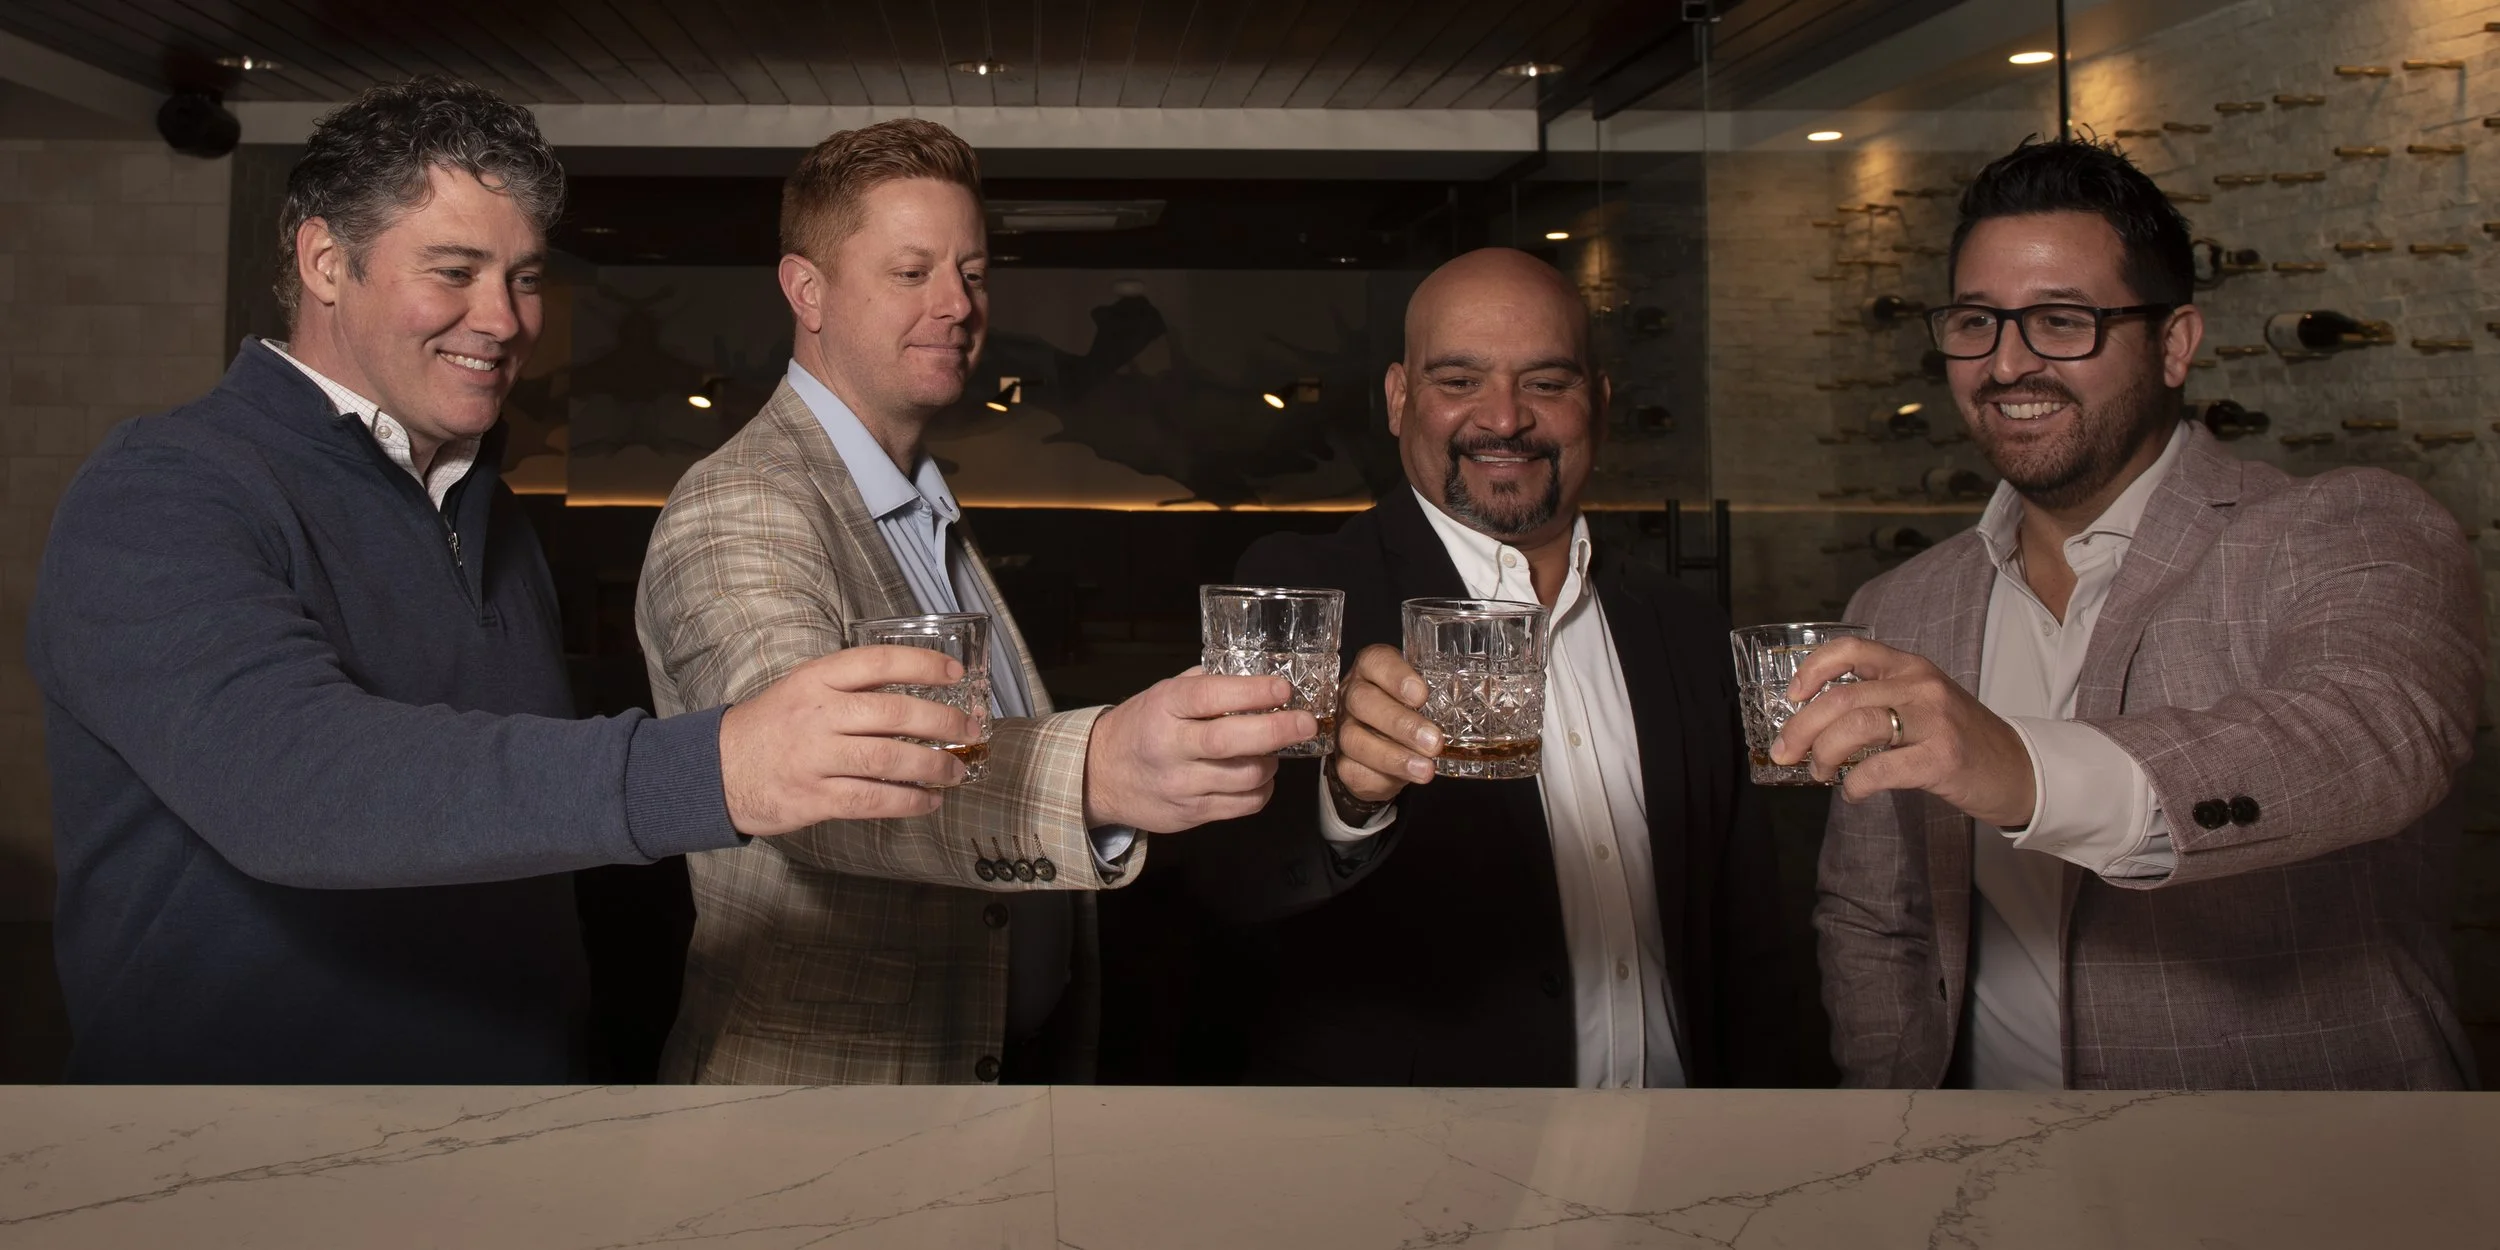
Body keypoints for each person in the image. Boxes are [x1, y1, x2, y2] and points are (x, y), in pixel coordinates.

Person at [25, 79, 983, 1083]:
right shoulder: (165, 489)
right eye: (454, 270)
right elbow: (291, 781)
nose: (504, 318)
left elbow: (521, 830)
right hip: (235, 1153)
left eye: (525, 277)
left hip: (514, 1132)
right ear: (323, 261)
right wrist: (718, 765)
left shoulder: (485, 502)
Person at [1795, 138, 2483, 1090]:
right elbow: (1875, 918)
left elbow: (2373, 738)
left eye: (2062, 321)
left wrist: (2021, 769)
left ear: (2174, 344)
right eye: (1976, 322)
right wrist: (1893, 1119)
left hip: (2304, 1175)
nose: (2007, 364)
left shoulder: (2345, 526)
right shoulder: (1899, 603)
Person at [634, 119, 1311, 1086]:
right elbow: (808, 791)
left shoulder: (914, 495)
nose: (957, 304)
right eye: (913, 273)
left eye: (973, 272)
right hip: (820, 1124)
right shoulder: (746, 505)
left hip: (990, 1090)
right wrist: (1102, 772)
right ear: (806, 289)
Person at [1176, 248, 1791, 1088]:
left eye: (1546, 382)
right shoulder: (1301, 592)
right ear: (1400, 400)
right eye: (1460, 381)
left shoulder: (1684, 627)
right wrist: (1345, 799)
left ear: (1599, 405)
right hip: (1433, 1173)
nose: (1504, 419)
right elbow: (1217, 886)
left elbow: (1749, 933)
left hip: (1686, 1161)